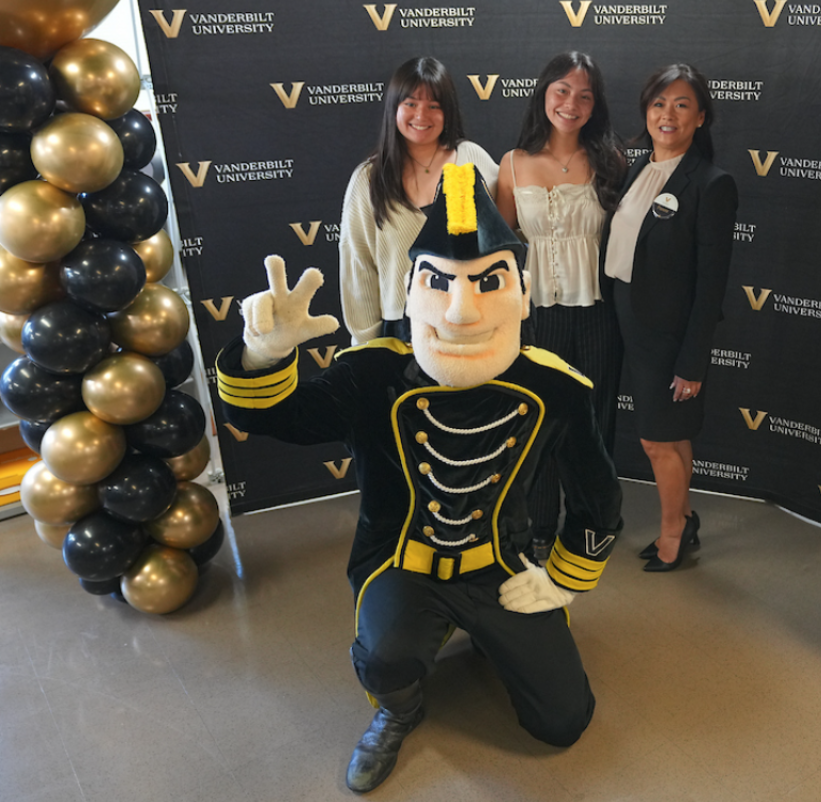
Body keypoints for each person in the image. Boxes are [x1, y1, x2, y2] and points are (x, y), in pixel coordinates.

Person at [217, 163, 622, 794]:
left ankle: (500, 640)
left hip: (503, 565)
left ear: (519, 292)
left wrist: (565, 576)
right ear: (411, 290)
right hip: (401, 563)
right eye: (440, 282)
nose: (461, 313)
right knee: (384, 656)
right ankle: (398, 708)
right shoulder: (373, 375)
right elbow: (279, 419)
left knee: (564, 722)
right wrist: (262, 357)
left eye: (487, 283)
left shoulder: (554, 387)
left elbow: (599, 496)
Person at [601, 63, 738, 572]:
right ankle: (683, 519)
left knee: (658, 439)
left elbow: (711, 282)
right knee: (674, 435)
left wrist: (693, 360)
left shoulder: (712, 183)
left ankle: (672, 536)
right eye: (660, 103)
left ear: (701, 117)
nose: (668, 114)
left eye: (682, 105)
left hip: (666, 332)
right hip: (625, 313)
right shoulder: (637, 168)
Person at [494, 51, 626, 558]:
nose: (572, 103)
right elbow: (503, 249)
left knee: (593, 421)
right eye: (562, 91)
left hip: (597, 312)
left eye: (585, 95)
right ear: (544, 94)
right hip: (536, 315)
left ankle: (593, 524)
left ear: (596, 105)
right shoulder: (511, 163)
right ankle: (540, 526)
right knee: (539, 419)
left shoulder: (611, 159)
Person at [340, 56, 499, 344]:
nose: (421, 115)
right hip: (401, 328)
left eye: (434, 106)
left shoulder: (472, 160)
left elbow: (506, 240)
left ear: (447, 111)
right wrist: (366, 345)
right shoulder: (369, 179)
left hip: (470, 319)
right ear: (394, 108)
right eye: (410, 104)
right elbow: (358, 266)